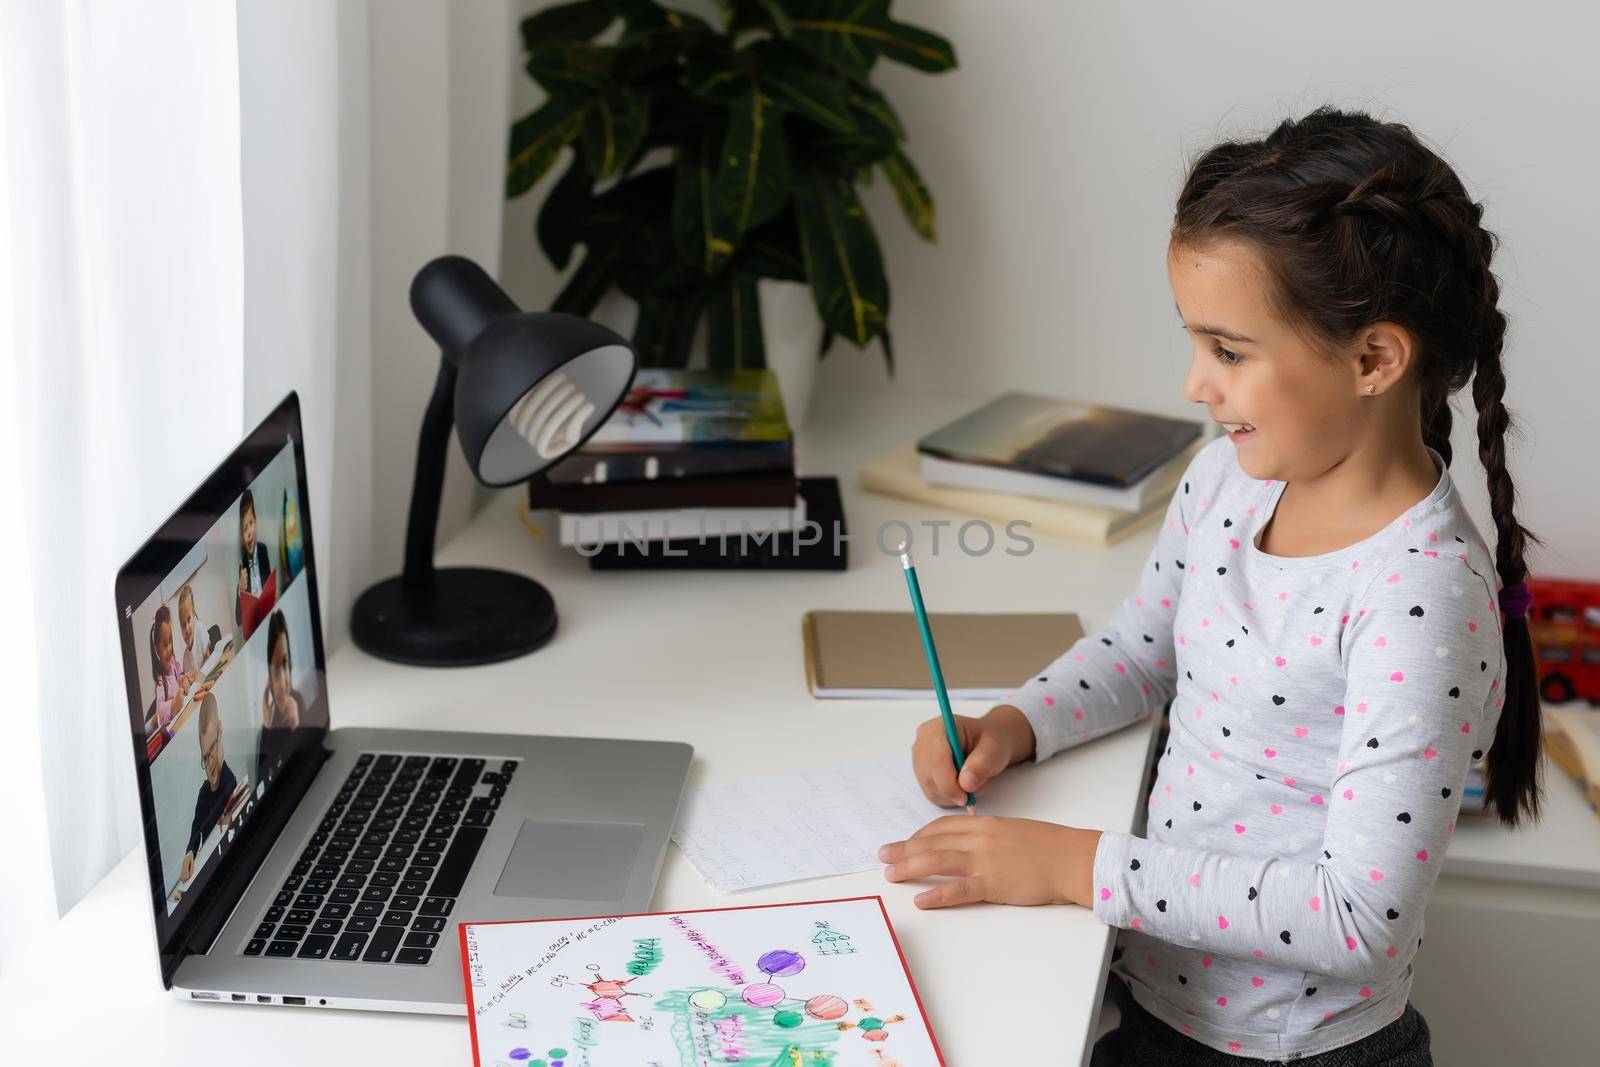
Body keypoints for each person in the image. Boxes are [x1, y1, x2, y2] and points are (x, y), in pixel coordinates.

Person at [879, 106, 1542, 1064]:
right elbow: (1143, 651)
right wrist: (1018, 724)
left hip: (1285, 1048)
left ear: (1374, 359)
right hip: (1153, 995)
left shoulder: (1420, 596)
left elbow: (1361, 917)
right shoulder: (1229, 482)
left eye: (1229, 352)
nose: (1195, 383)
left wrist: (1076, 865)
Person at [178, 694, 238, 886]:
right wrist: (190, 852)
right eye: (205, 757)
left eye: (212, 749)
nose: (210, 763)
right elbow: (196, 832)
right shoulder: (203, 794)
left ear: (220, 735)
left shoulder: (230, 781)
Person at [257, 609, 304, 784]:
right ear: (269, 679)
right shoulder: (270, 723)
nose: (283, 682)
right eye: (276, 674)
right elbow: (262, 780)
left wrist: (296, 726)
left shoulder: (298, 701)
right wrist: (266, 724)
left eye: (285, 663)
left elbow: (306, 762)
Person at [148, 604, 191, 734]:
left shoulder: (173, 664)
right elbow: (159, 713)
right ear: (157, 649)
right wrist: (173, 705)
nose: (169, 648)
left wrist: (185, 680)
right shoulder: (160, 681)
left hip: (186, 718)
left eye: (170, 641)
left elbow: (179, 680)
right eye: (165, 644)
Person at [235, 488, 273, 628]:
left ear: (255, 522)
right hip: (255, 625)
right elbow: (239, 619)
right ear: (241, 536)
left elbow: (270, 584)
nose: (249, 532)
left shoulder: (263, 550)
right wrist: (241, 590)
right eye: (245, 529)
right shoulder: (242, 566)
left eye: (250, 523)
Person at [176, 582, 216, 677]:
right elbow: (189, 680)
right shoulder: (185, 657)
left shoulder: (199, 630)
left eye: (189, 619)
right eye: (183, 625)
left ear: (193, 615)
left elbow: (208, 657)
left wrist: (199, 677)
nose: (187, 628)